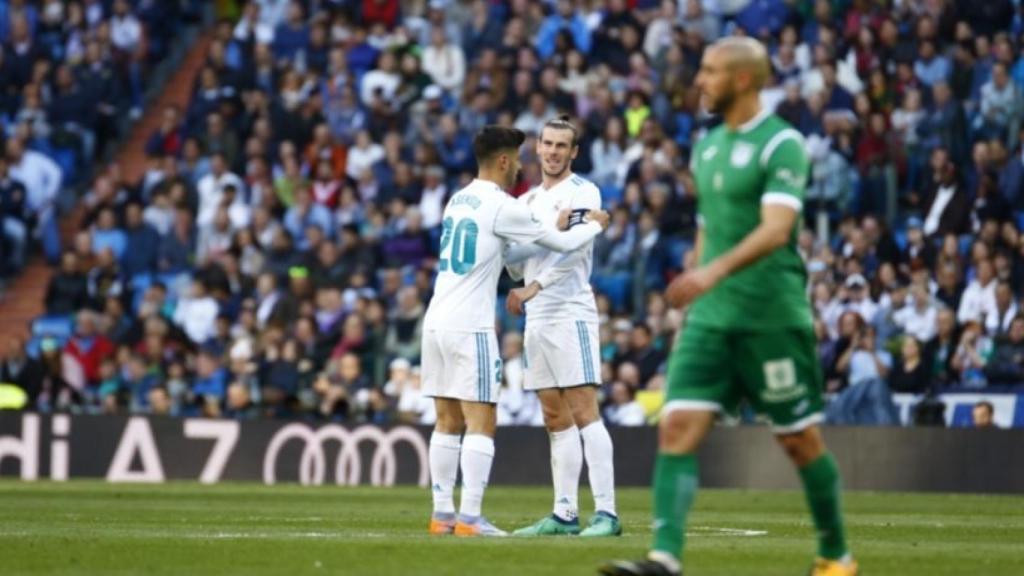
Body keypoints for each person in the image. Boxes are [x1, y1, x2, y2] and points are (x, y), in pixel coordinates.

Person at [601, 38, 856, 576]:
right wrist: (693, 286)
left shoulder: (781, 144)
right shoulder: (707, 146)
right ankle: (664, 559)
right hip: (711, 320)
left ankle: (836, 556)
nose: (700, 81)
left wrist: (711, 272)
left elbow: (777, 229)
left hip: (770, 318)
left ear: (742, 80)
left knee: (800, 441)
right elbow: (708, 228)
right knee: (677, 426)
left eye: (711, 72)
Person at [422, 125, 610, 537]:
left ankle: (442, 516)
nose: (530, 162)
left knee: (446, 420)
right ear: (504, 160)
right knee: (481, 421)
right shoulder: (506, 204)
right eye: (526, 155)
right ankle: (470, 518)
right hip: (470, 325)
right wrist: (596, 224)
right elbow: (553, 247)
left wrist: (553, 231)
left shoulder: (458, 199)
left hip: (435, 319)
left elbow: (510, 252)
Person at [503, 116, 621, 538]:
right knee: (554, 416)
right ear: (537, 147)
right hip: (537, 319)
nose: (552, 152)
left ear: (573, 153)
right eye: (547, 143)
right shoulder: (528, 201)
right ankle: (565, 514)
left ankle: (607, 513)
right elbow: (514, 263)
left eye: (561, 146)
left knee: (585, 410)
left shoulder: (584, 192)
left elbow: (575, 251)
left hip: (570, 310)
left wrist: (534, 285)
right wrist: (517, 254)